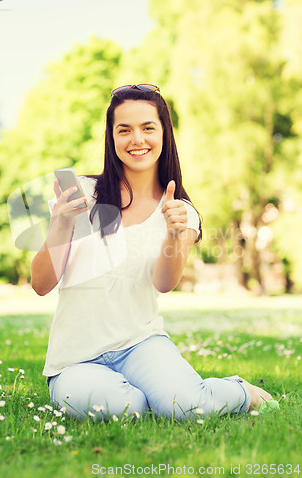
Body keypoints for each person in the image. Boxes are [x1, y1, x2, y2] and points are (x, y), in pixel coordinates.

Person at [31, 84, 274, 421]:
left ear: (164, 133)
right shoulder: (85, 195)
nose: (137, 139)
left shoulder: (179, 211)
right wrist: (60, 223)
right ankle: (138, 391)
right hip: (76, 358)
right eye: (124, 130)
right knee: (123, 409)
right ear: (111, 137)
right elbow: (41, 283)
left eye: (148, 128)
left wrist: (174, 236)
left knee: (188, 408)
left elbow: (164, 283)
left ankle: (237, 389)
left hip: (142, 344)